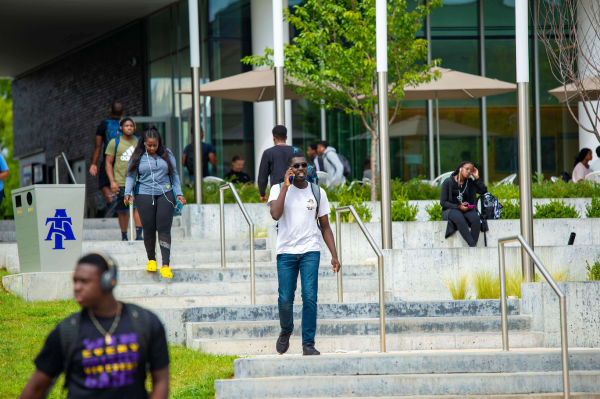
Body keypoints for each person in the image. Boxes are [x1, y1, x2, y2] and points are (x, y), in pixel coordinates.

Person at [19, 252, 169, 399]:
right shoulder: (67, 331)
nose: (77, 287)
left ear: (108, 280)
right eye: (75, 281)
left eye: (84, 281)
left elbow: (161, 381)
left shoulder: (145, 322)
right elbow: (36, 388)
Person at [268, 154, 341, 356]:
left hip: (310, 250)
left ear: (309, 168)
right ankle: (286, 329)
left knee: (309, 297)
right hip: (286, 251)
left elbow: (325, 226)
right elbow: (275, 214)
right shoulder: (277, 189)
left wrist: (334, 255)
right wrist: (285, 186)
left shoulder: (317, 192)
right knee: (284, 298)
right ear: (290, 168)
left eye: (304, 165)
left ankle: (308, 343)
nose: (300, 168)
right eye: (296, 166)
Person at [124, 125, 187, 279]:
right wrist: (127, 192)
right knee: (149, 227)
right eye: (149, 145)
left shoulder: (167, 154)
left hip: (165, 194)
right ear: (143, 143)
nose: (152, 148)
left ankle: (166, 265)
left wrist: (179, 194)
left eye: (155, 145)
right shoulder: (137, 156)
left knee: (164, 228)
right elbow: (131, 176)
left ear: (159, 143)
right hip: (144, 194)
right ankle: (151, 260)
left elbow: (175, 175)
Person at [105, 118, 143, 241]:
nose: (129, 128)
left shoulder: (138, 142)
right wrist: (112, 181)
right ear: (121, 128)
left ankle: (139, 236)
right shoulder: (114, 142)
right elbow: (108, 163)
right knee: (123, 210)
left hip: (138, 180)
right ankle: (124, 236)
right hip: (121, 182)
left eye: (131, 125)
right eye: (126, 126)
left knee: (139, 207)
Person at [440, 161, 488, 247]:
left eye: (471, 170)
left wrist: (476, 177)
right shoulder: (448, 182)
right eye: (467, 169)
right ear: (460, 169)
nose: (469, 171)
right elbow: (443, 203)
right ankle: (472, 245)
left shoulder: (469, 182)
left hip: (466, 208)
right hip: (451, 209)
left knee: (475, 219)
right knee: (459, 216)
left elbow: (483, 190)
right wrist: (458, 207)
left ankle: (472, 246)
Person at [90, 103, 124, 210]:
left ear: (110, 111)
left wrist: (94, 164)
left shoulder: (104, 125)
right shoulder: (126, 125)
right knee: (121, 183)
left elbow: (97, 146)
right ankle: (120, 202)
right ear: (122, 113)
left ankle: (112, 200)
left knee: (104, 185)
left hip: (108, 159)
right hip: (123, 159)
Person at [257, 125, 304, 202]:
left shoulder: (268, 153)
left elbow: (262, 177)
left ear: (274, 138)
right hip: (297, 191)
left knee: (277, 213)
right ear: (286, 137)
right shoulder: (297, 151)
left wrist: (262, 194)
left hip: (277, 191)